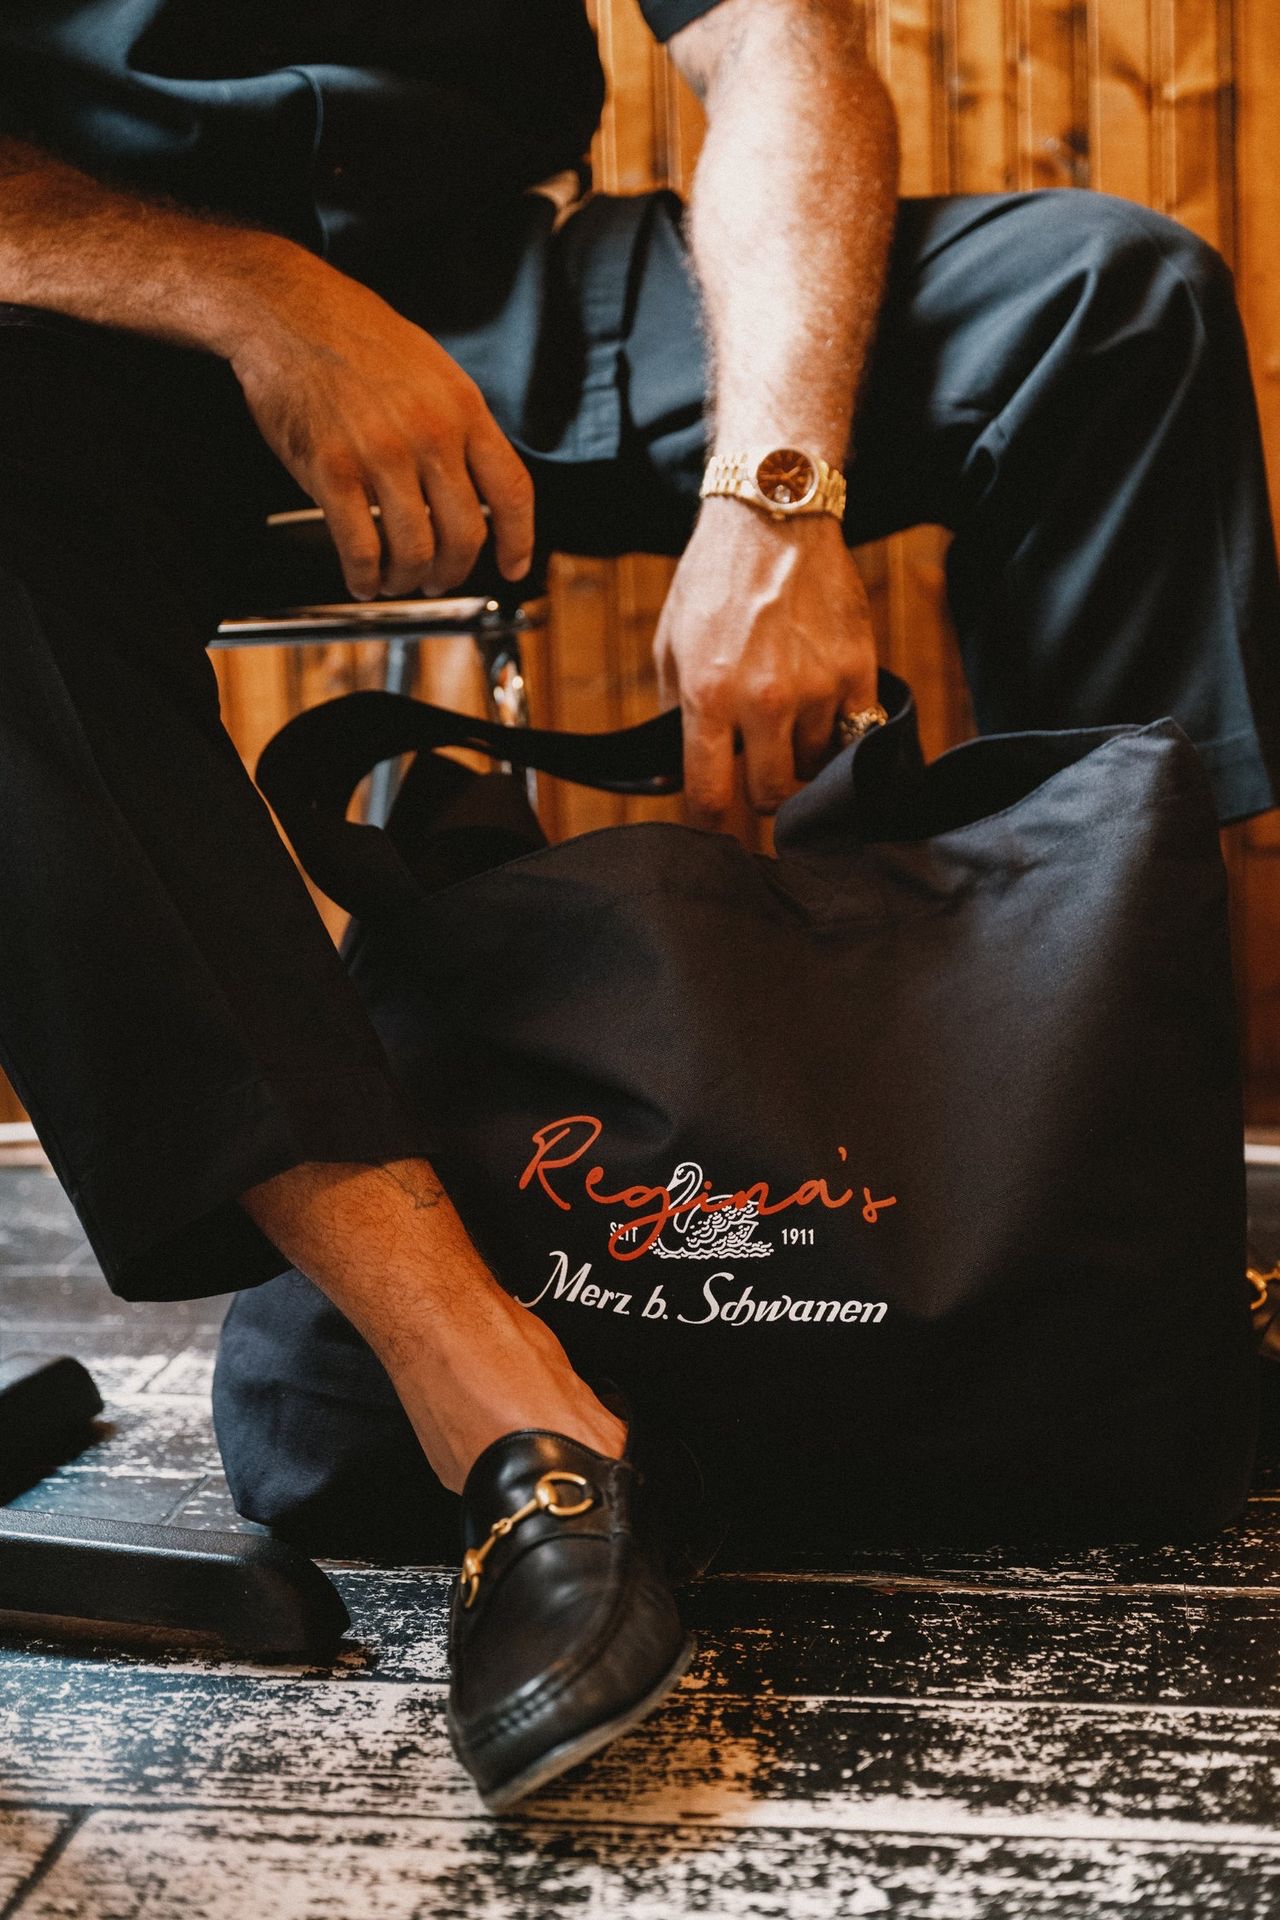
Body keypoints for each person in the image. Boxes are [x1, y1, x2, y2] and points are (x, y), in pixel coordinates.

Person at [0, 0, 1276, 1808]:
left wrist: (777, 486)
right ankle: (501, 1406)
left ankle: (1118, 1230)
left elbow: (777, 44)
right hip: (93, 312)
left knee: (1110, 295)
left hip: (511, 284)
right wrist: (252, 293)